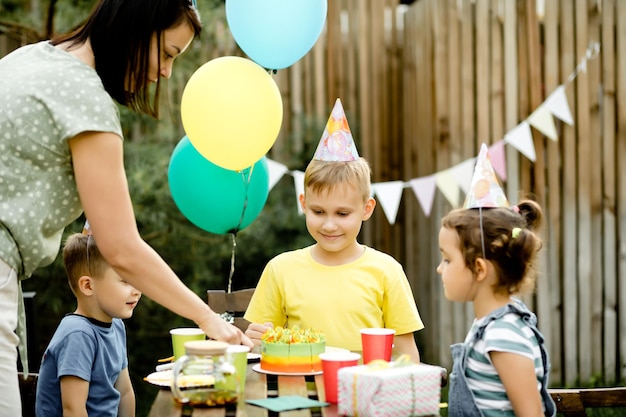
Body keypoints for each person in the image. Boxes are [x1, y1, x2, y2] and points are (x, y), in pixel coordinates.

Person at [0, 0, 252, 413]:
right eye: (168, 53)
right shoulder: (86, 99)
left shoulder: (30, 58)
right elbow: (122, 249)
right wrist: (209, 320)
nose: (167, 72)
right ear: (138, 24)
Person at [244, 99, 423, 362]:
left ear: (367, 208)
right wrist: (255, 341)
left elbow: (407, 354)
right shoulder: (281, 269)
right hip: (300, 396)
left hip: (366, 396)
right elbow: (258, 347)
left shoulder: (387, 271)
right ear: (303, 204)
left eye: (342, 214)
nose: (329, 225)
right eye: (318, 212)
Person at [436, 144, 556, 416]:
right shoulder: (489, 327)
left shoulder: (502, 336)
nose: (439, 269)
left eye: (447, 259)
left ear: (479, 269)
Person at [36, 231, 140, 417]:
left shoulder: (116, 325)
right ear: (88, 286)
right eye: (125, 281)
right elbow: (73, 410)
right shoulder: (78, 335)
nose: (137, 290)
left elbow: (125, 393)